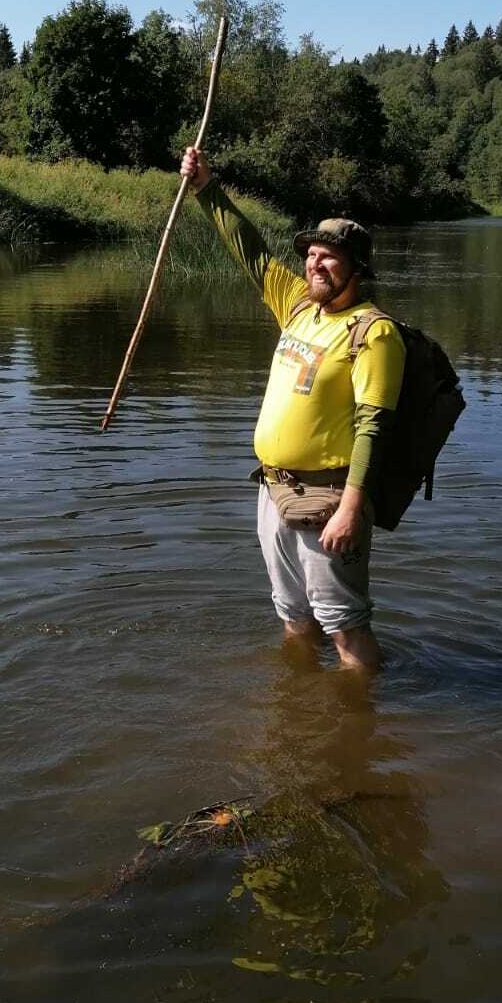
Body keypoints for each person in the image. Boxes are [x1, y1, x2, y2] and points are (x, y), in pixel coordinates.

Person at [181, 147, 405, 671]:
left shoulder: (374, 333)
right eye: (310, 253)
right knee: (294, 618)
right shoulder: (299, 306)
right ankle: (298, 704)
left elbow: (374, 428)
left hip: (328, 497)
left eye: (328, 255)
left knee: (347, 630)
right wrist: (207, 189)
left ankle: (359, 732)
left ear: (356, 267)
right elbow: (253, 253)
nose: (314, 262)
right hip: (274, 486)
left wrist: (352, 507)